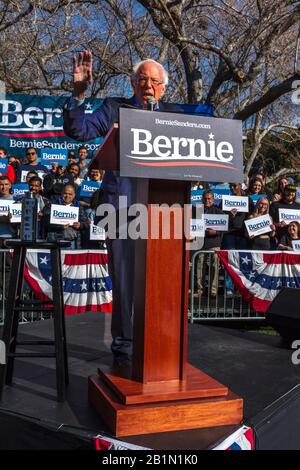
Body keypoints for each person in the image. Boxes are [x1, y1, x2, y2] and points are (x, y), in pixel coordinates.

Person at [63, 50, 180, 366]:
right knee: (127, 281)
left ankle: (162, 343)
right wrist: (78, 95)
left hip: (165, 212)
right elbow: (79, 130)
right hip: (122, 210)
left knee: (163, 281)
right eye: (142, 79)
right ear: (132, 83)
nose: (148, 86)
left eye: (154, 81)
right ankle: (125, 349)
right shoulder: (116, 108)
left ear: (164, 88)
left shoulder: (178, 118)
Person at [194, 190, 225, 299]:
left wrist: (216, 232)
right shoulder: (197, 211)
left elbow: (224, 228)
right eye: (205, 198)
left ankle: (213, 291)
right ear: (202, 199)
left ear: (213, 199)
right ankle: (199, 290)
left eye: (209, 198)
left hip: (214, 243)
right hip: (201, 243)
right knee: (199, 266)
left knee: (214, 266)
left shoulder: (218, 212)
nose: (207, 200)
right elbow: (194, 226)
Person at [41, 183, 88, 249]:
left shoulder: (78, 207)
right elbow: (45, 220)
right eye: (65, 193)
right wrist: (60, 226)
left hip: (71, 241)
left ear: (74, 195)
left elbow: (86, 223)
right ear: (61, 193)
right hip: (54, 240)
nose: (67, 196)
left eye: (70, 194)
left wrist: (80, 225)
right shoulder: (52, 204)